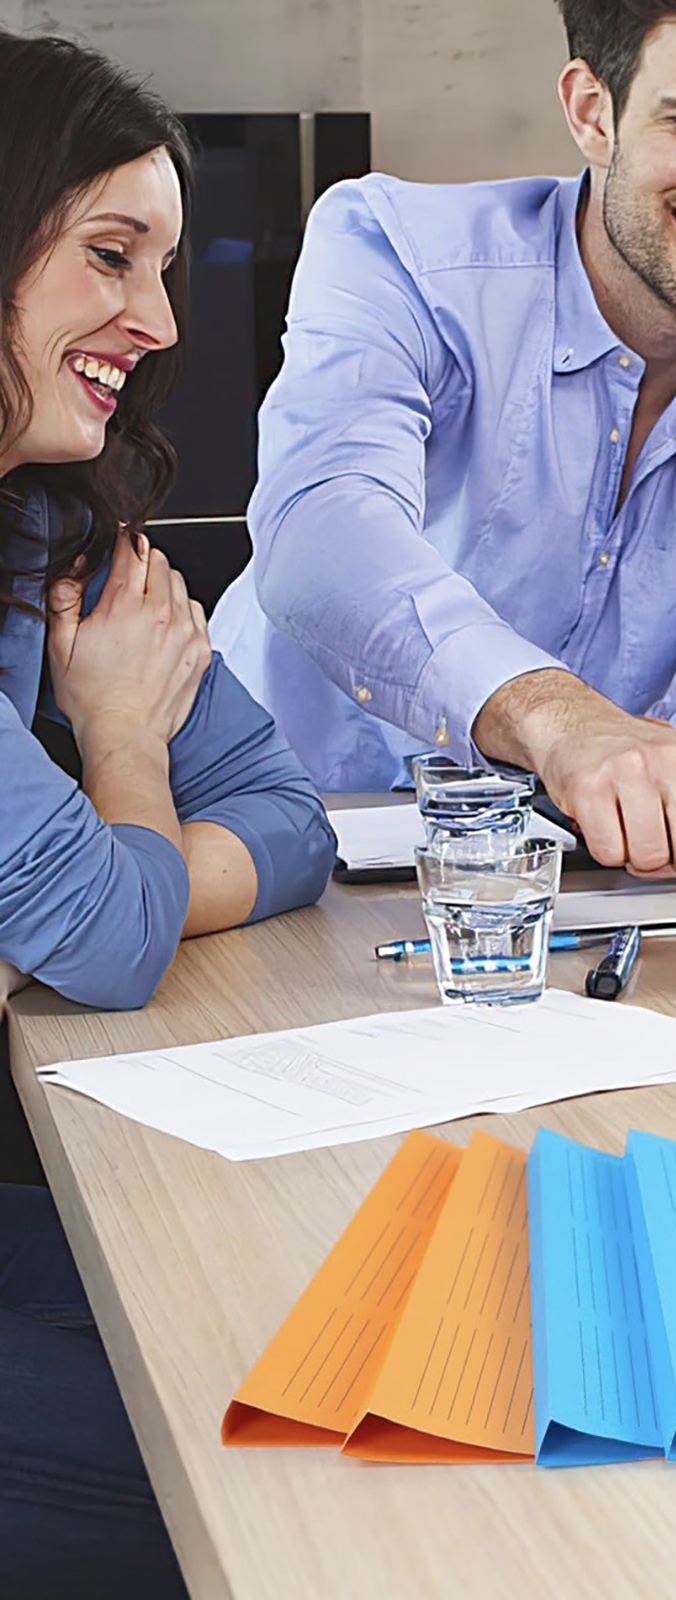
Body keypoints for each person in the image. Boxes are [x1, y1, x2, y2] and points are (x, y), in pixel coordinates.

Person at [210, 0, 676, 895]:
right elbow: (320, 535)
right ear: (591, 111)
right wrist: (556, 715)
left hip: (582, 872)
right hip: (280, 838)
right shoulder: (396, 251)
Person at [0, 32, 336, 1595]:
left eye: (165, 264)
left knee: (300, 1338)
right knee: (268, 1494)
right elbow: (114, 940)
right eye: (108, 255)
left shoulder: (52, 533)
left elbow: (286, 814)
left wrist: (73, 899)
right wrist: (122, 747)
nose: (161, 320)